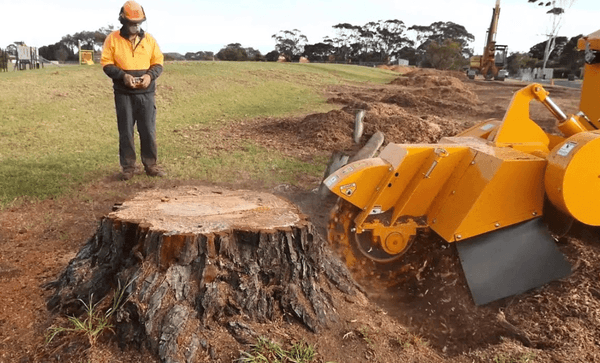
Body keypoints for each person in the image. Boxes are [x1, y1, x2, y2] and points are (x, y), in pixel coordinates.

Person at [101, 0, 165, 180]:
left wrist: (149, 76)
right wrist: (123, 76)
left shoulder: (150, 40)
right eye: (132, 23)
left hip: (146, 93)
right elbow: (106, 63)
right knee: (126, 131)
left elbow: (158, 62)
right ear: (123, 21)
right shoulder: (112, 39)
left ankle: (151, 165)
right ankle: (128, 167)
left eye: (138, 23)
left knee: (148, 130)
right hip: (124, 94)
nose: (135, 26)